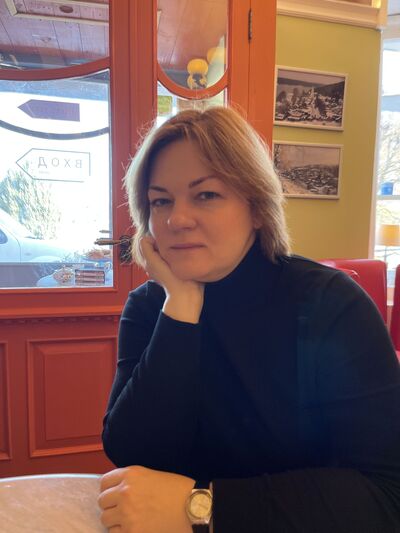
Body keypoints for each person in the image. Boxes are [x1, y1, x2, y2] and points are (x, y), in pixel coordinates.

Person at [98, 106, 400, 533]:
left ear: (257, 207)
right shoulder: (151, 307)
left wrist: (203, 507)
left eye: (206, 195)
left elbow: (386, 496)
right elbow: (131, 451)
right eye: (160, 200)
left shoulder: (331, 305)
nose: (176, 219)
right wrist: (182, 305)